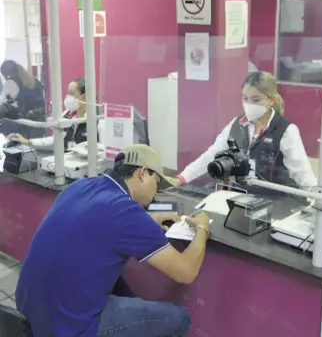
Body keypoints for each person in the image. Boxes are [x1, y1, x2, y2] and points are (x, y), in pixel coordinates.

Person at [16, 144, 210, 337]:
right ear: (142, 173)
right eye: (157, 182)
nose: (156, 192)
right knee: (179, 318)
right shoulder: (126, 212)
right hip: (67, 327)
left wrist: (147, 222)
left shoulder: (80, 186)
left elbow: (97, 225)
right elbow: (186, 272)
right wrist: (202, 227)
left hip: (31, 310)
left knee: (120, 286)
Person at [174, 71, 317, 188]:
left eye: (256, 100)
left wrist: (317, 203)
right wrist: (182, 178)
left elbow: (303, 174)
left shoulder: (286, 130)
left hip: (274, 199)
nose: (249, 104)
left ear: (271, 101)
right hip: (240, 196)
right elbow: (211, 154)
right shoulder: (236, 124)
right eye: (245, 98)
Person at [9, 78, 97, 151]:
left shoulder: (98, 119)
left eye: (71, 93)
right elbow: (55, 140)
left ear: (85, 97)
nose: (67, 97)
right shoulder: (67, 115)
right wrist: (26, 141)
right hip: (67, 164)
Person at [0, 60, 46, 138]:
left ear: (5, 74)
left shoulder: (11, 83)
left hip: (23, 125)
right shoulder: (34, 80)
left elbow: (2, 103)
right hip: (39, 123)